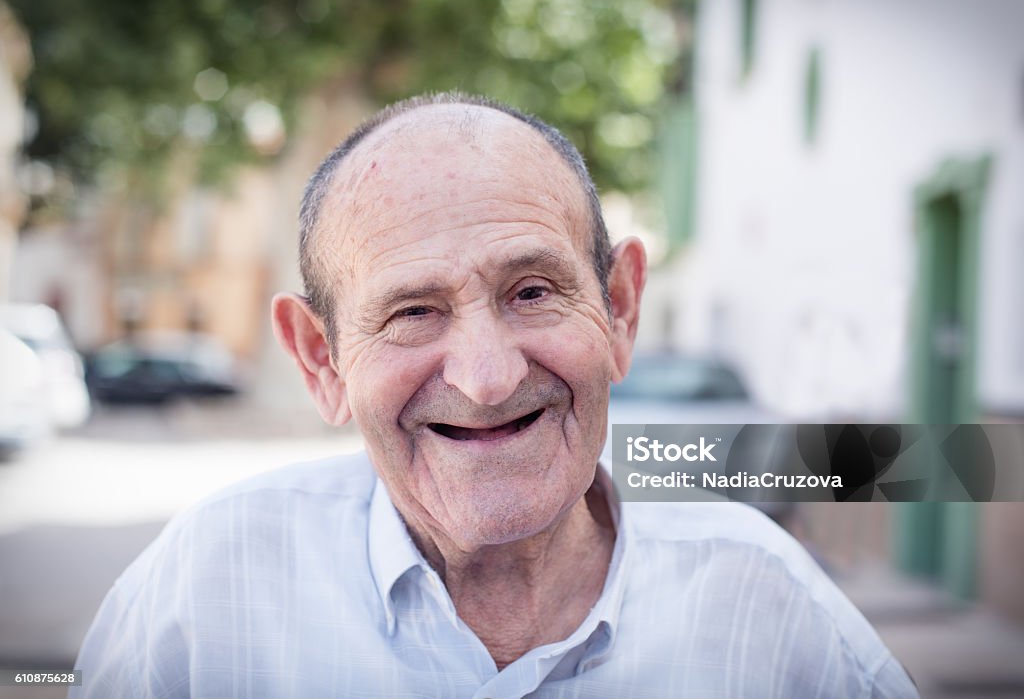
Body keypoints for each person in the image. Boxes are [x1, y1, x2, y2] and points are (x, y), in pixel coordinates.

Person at [72, 92, 918, 698]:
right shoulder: (210, 583)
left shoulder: (762, 598)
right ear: (321, 360)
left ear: (619, 308)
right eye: (412, 311)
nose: (487, 377)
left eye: (534, 292)